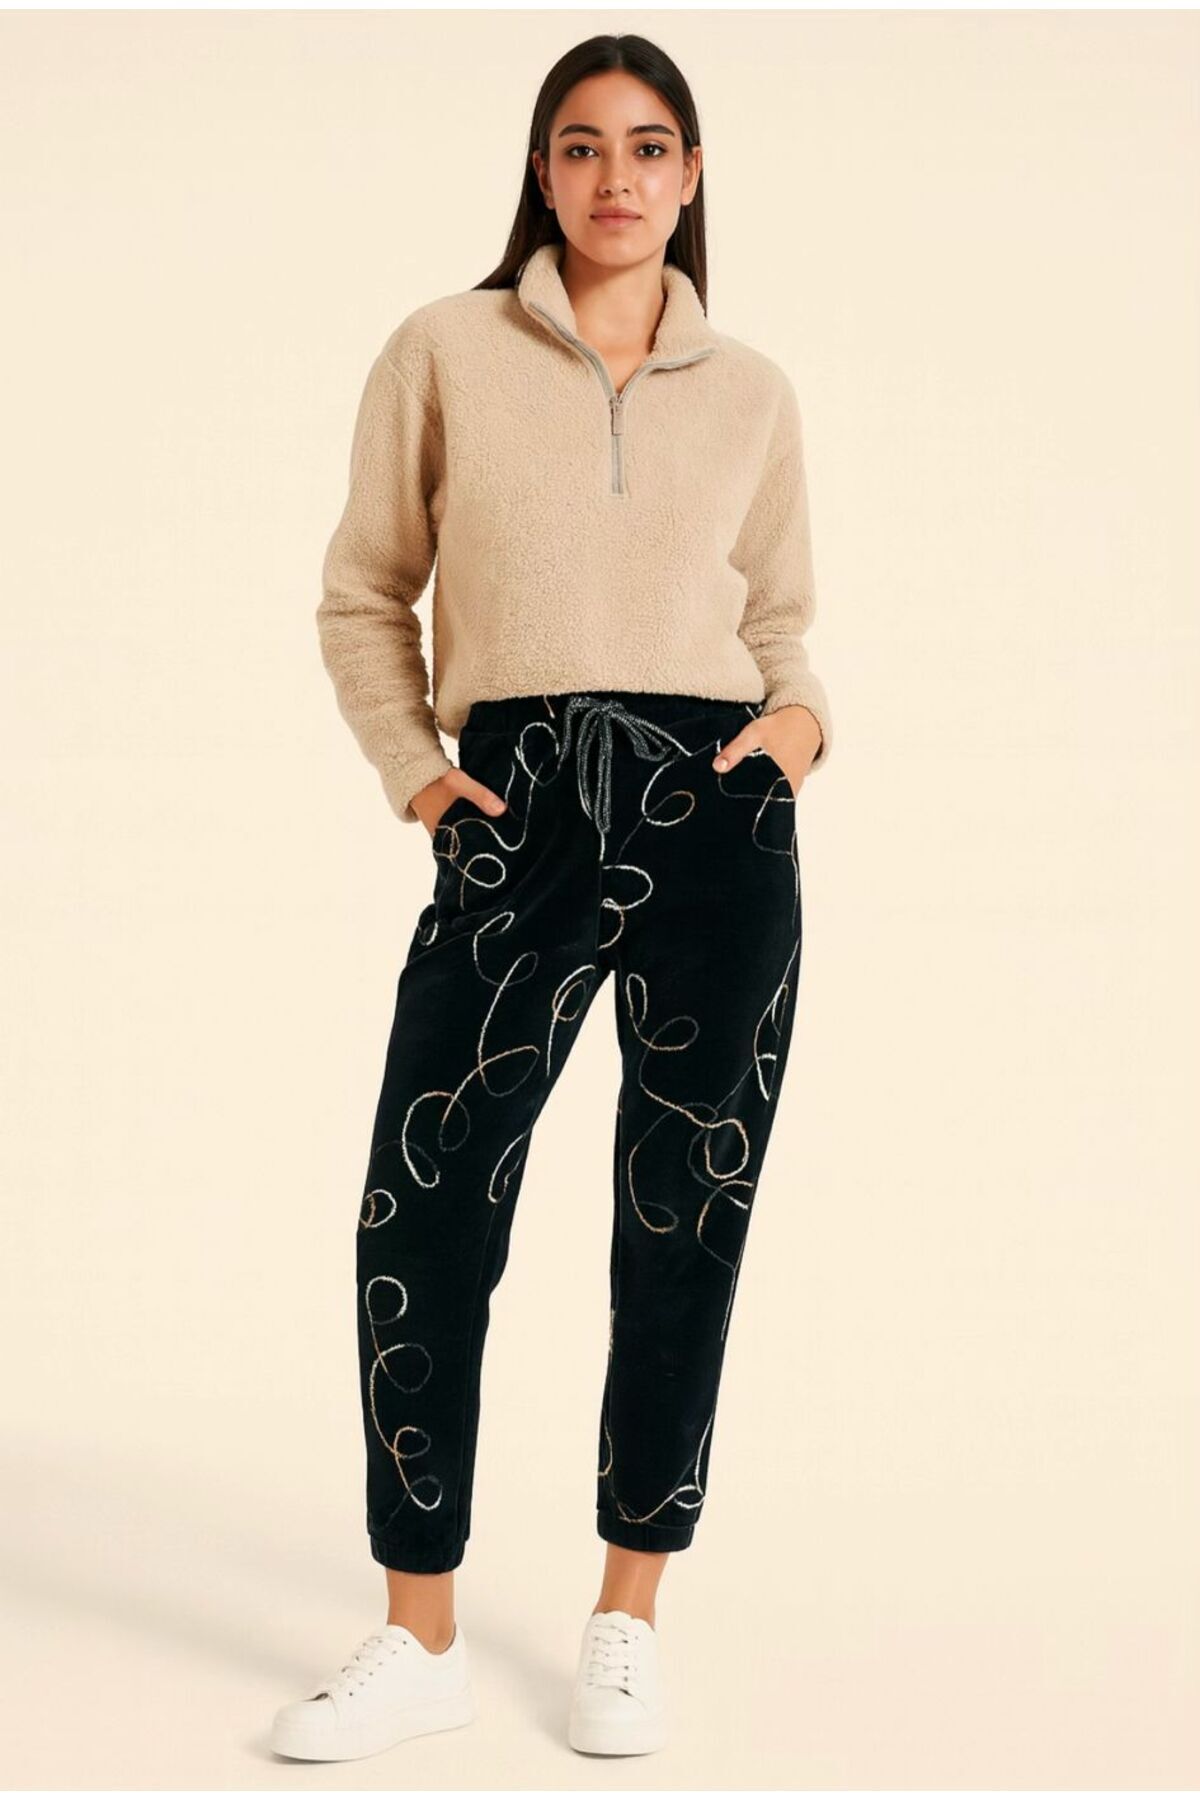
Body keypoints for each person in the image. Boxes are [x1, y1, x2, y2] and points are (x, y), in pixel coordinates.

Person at [270, 31, 832, 1765]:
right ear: (541, 169)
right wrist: (419, 771)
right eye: (581, 146)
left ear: (692, 174)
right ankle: (419, 1631)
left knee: (684, 1219)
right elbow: (364, 591)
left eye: (649, 147)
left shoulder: (752, 390)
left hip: (717, 819)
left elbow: (782, 617)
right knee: (423, 1209)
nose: (615, 178)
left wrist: (799, 732)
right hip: (515, 816)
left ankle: (627, 1614)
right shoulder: (443, 351)